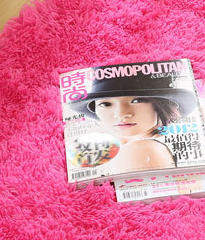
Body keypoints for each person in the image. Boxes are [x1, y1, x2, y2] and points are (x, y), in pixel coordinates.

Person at [68, 71, 198, 173]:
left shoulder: (142, 149)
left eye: (137, 100)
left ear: (160, 104)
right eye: (105, 104)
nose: (121, 114)